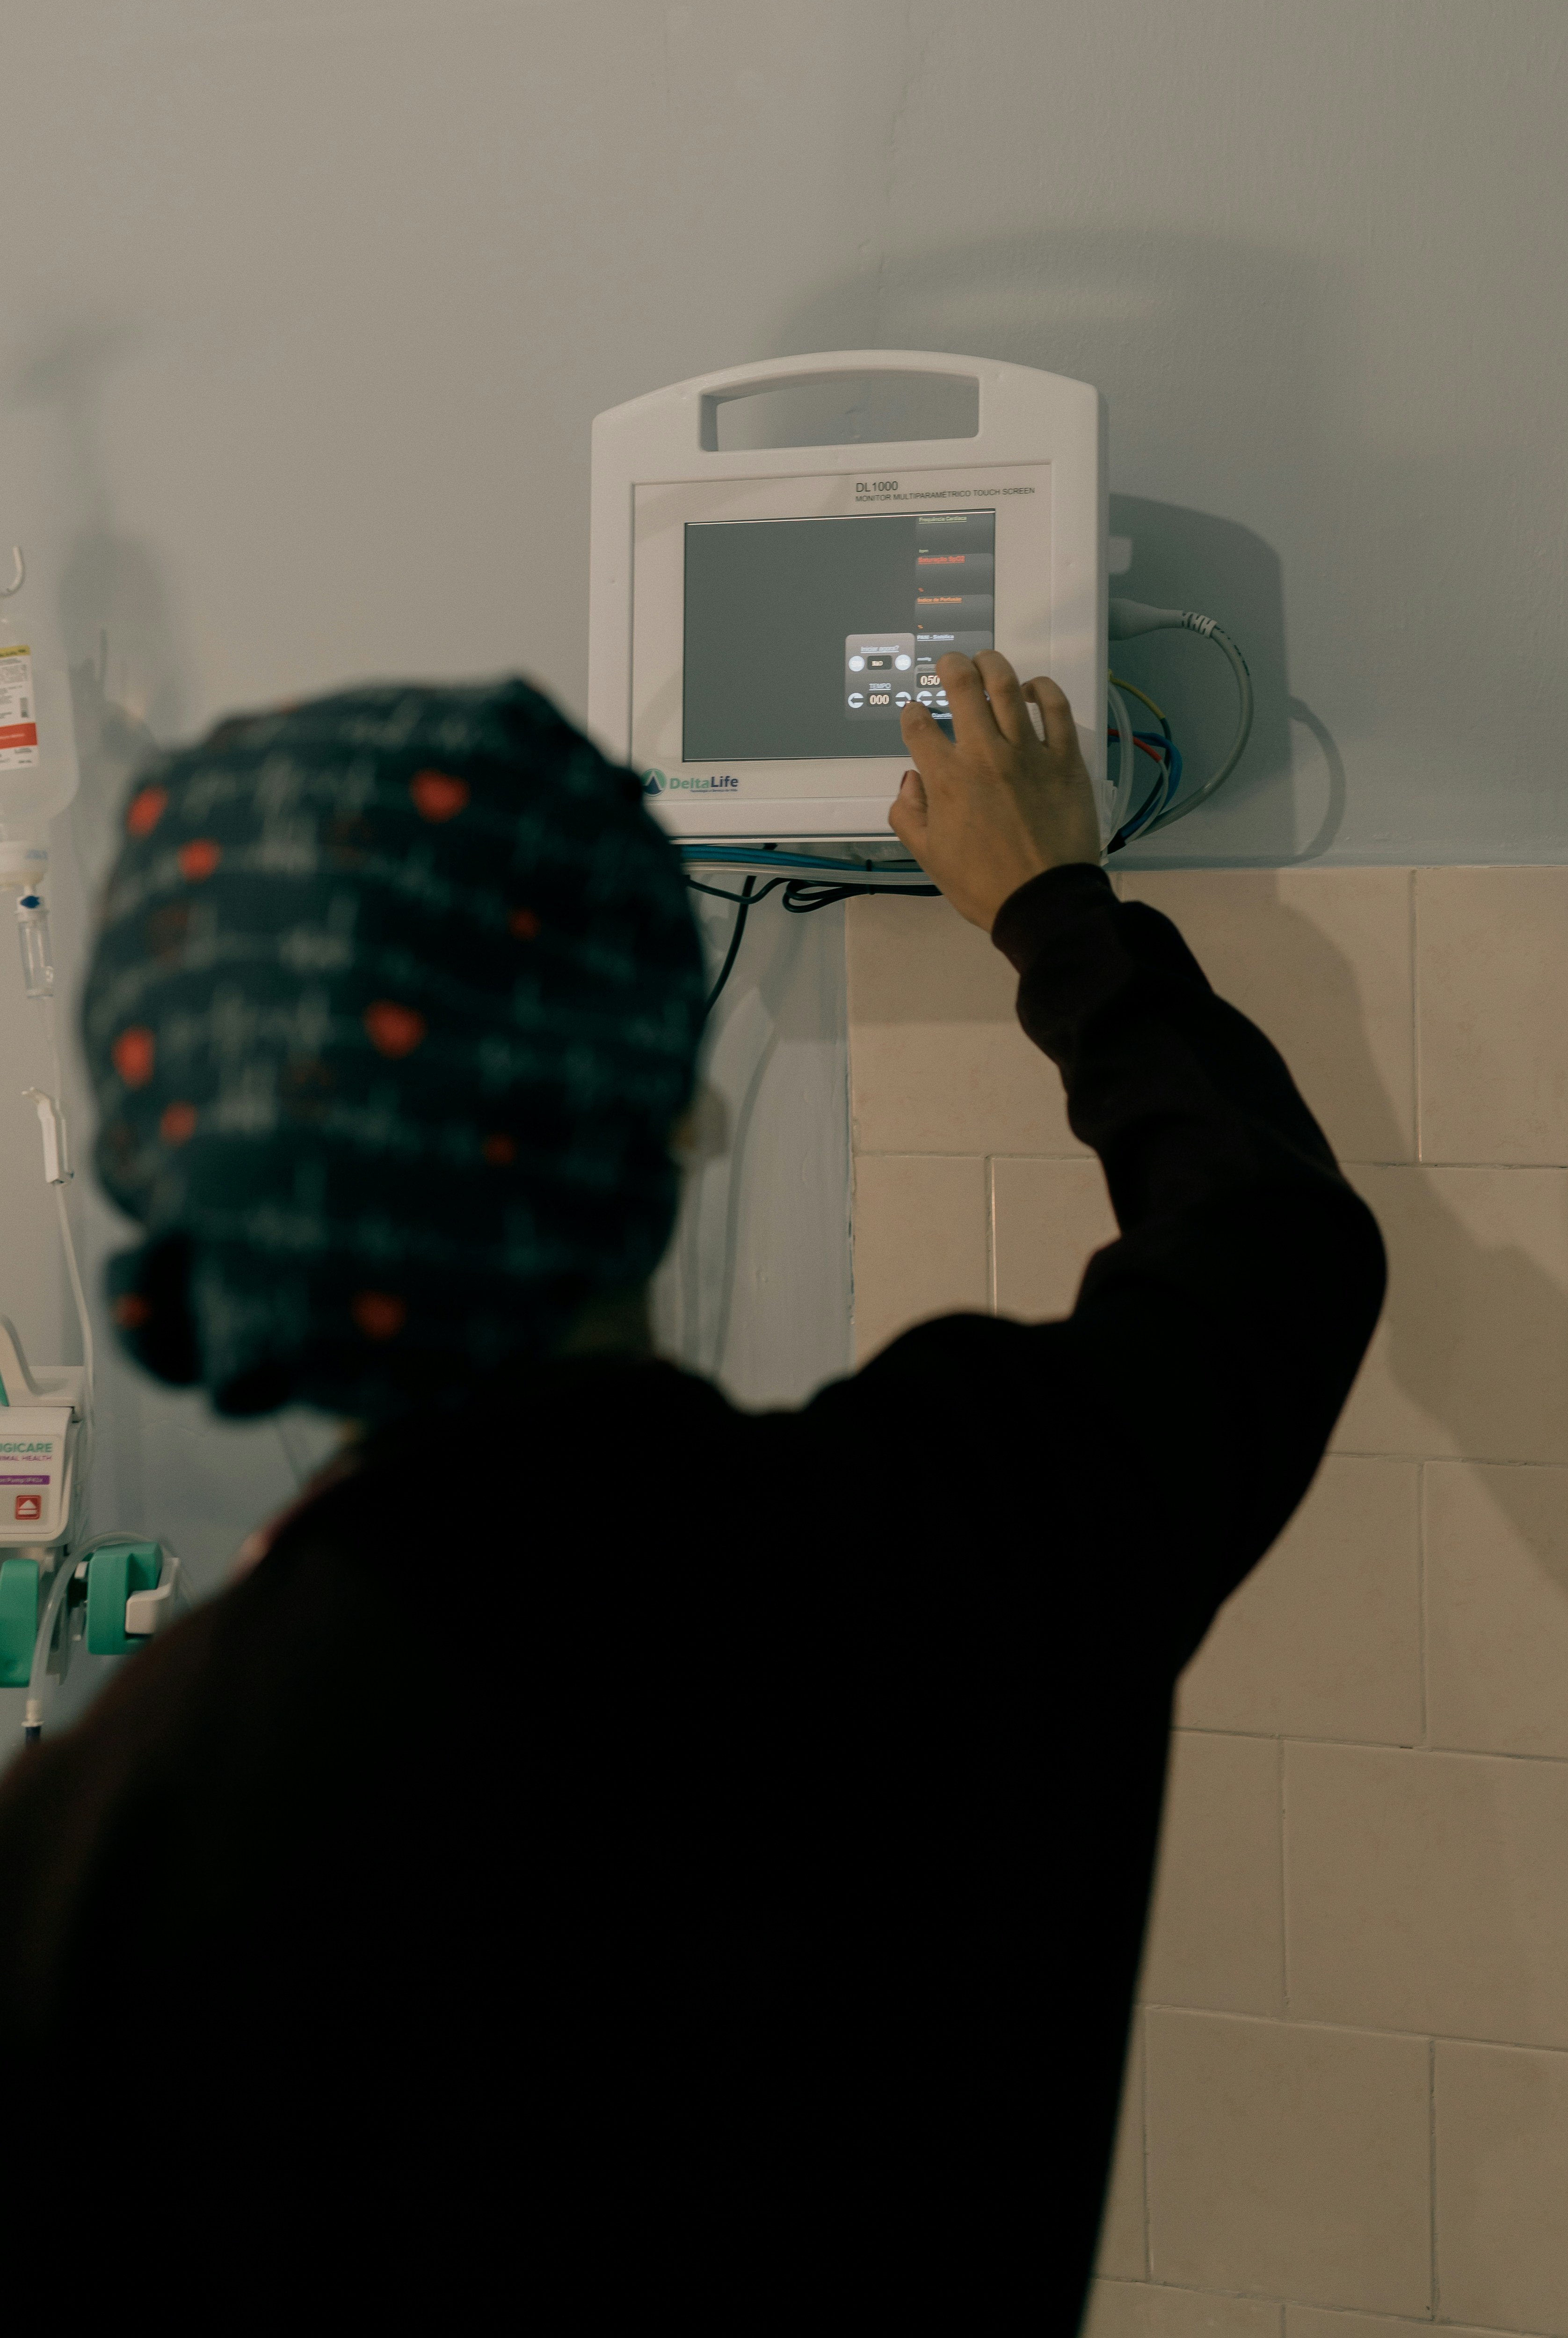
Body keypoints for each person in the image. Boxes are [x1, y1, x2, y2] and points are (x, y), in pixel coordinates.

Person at [0, 649, 1383, 2333]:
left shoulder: (98, 1856)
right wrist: (1054, 912)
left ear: (188, 1186)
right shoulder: (966, 1536)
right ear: (675, 1112)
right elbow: (1275, 1244)